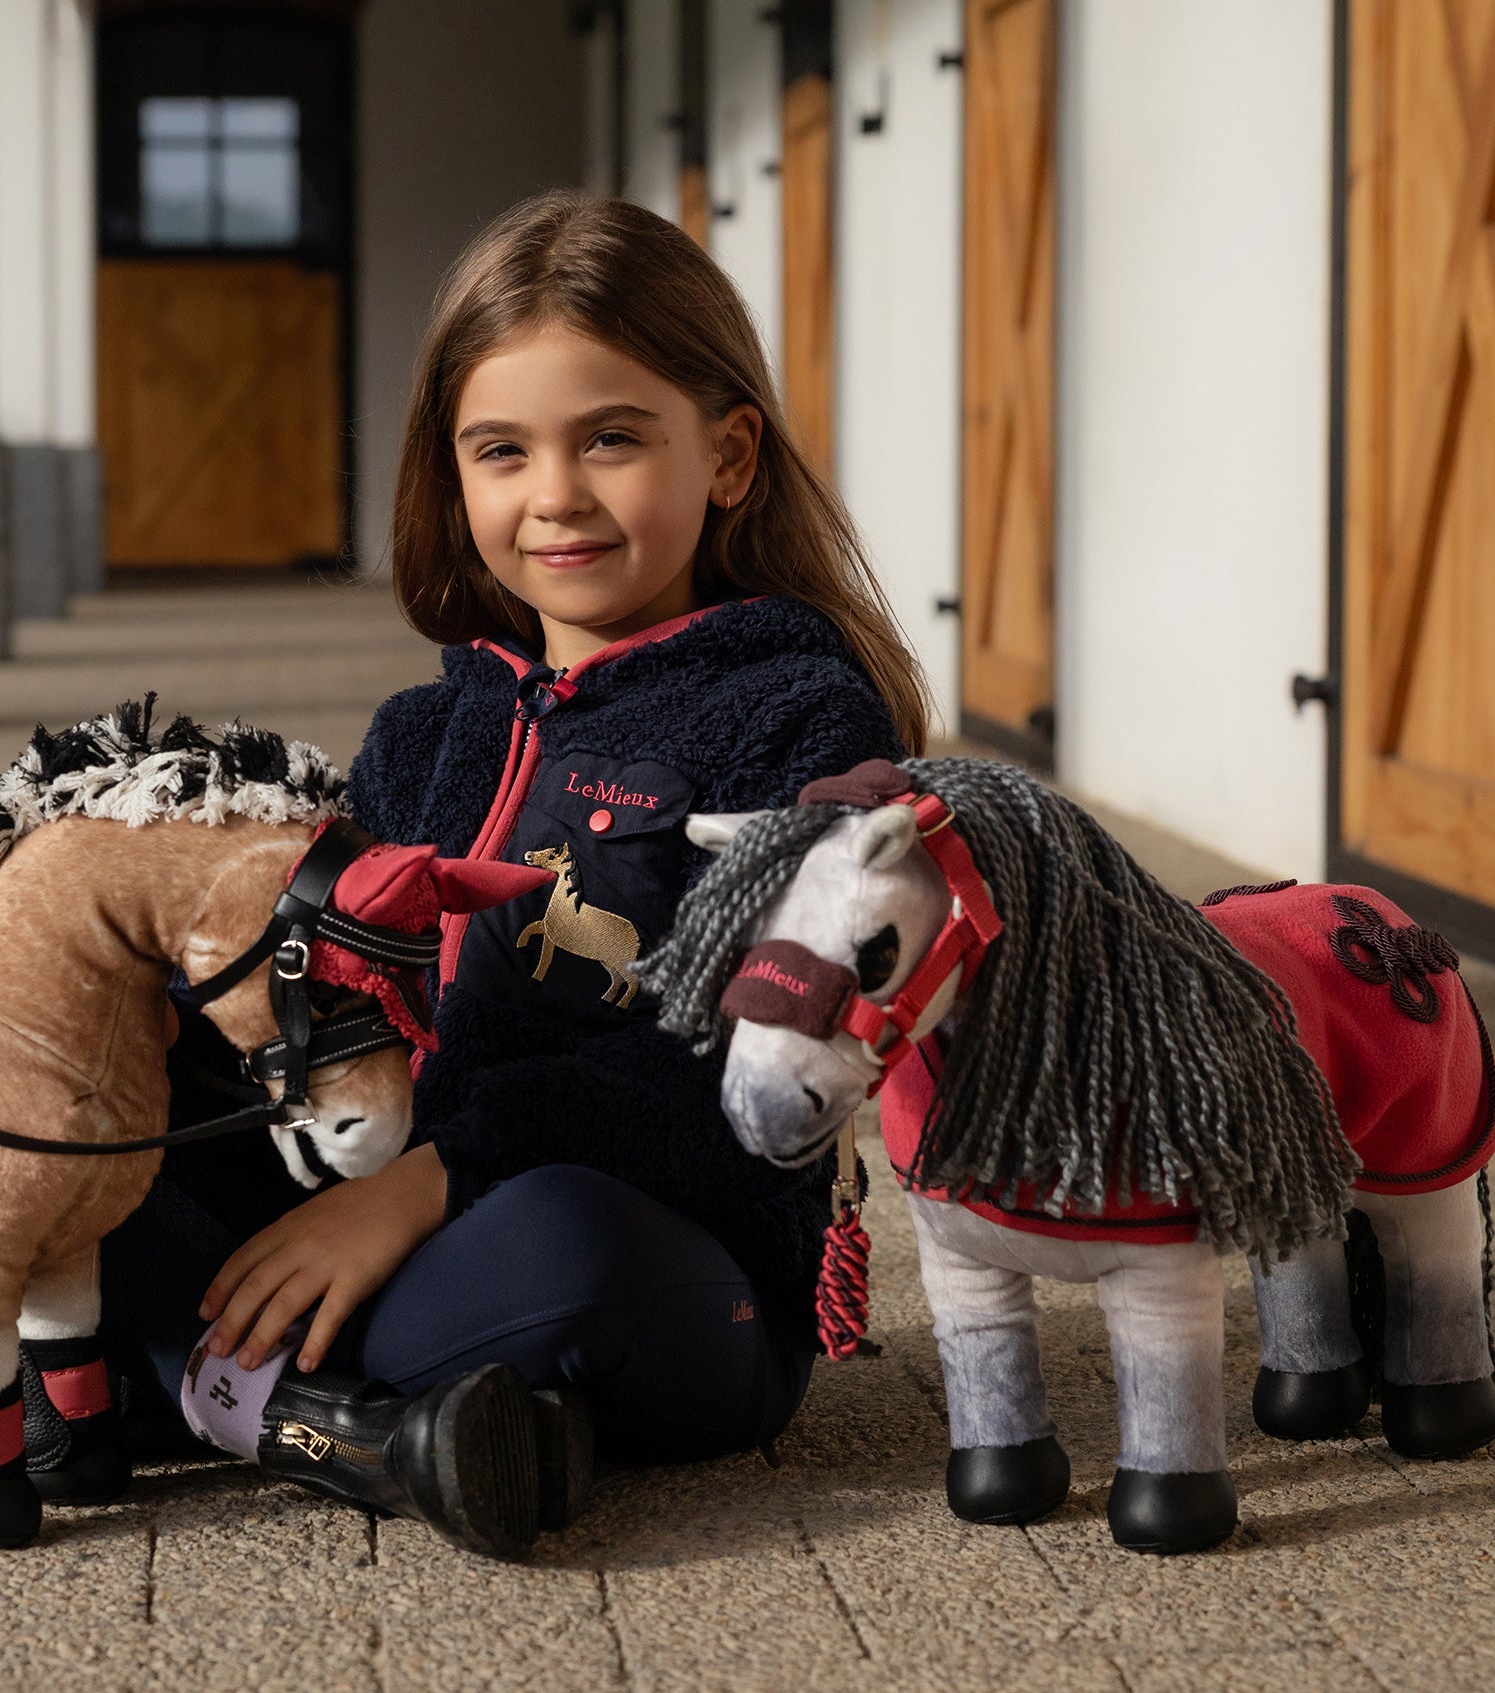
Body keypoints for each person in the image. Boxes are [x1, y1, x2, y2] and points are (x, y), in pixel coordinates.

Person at [100, 191, 933, 1557]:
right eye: (504, 451)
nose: (555, 495)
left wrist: (429, 1185)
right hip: (395, 1196)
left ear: (727, 455)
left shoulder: (798, 721)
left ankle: (197, 1384)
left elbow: (747, 1085)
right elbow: (328, 1005)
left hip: (661, 1253)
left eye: (611, 438)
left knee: (558, 1252)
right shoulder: (428, 730)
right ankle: (389, 1429)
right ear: (455, 473)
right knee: (82, 1139)